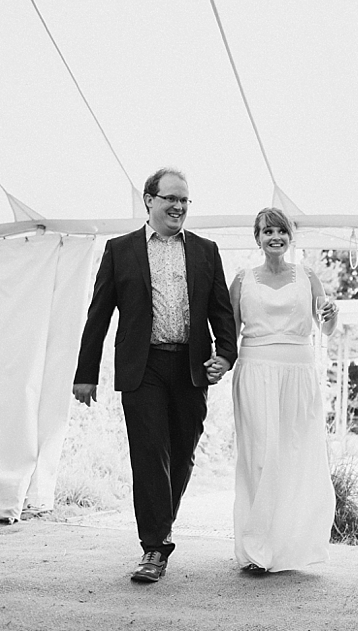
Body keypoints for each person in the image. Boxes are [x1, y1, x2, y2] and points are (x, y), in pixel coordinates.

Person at [72, 168, 237, 583]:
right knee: (149, 454)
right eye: (170, 199)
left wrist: (226, 355)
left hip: (190, 367)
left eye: (184, 200)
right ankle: (154, 547)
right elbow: (98, 315)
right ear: (149, 200)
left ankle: (160, 527)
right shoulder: (120, 250)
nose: (178, 206)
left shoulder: (205, 250)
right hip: (141, 366)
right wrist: (85, 373)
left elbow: (221, 310)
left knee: (181, 455)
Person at [229, 207, 337, 573]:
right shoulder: (243, 280)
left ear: (290, 237)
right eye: (267, 231)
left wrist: (332, 314)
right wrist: (217, 364)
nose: (275, 237)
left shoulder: (308, 276)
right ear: (257, 238)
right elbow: (228, 333)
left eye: (281, 231)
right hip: (255, 371)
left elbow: (326, 327)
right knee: (260, 456)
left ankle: (290, 546)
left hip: (298, 372)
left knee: (296, 454)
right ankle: (256, 548)